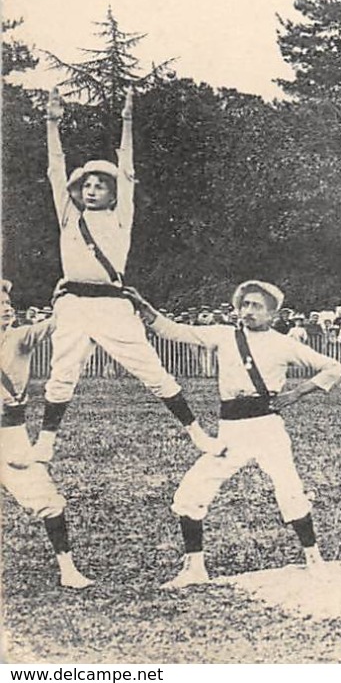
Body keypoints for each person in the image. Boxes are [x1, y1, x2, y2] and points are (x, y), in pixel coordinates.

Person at [36, 87, 221, 463]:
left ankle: (199, 435)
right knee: (62, 374)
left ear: (113, 191)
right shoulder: (69, 215)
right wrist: (52, 122)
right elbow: (56, 168)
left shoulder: (122, 217)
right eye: (86, 184)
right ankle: (46, 442)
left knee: (152, 370)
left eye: (100, 184)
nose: (91, 190)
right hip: (73, 303)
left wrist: (127, 121)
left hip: (112, 303)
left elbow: (129, 167)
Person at [130, 281, 341, 589]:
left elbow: (333, 367)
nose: (249, 311)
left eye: (257, 306)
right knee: (192, 492)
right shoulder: (224, 335)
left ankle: (314, 560)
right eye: (245, 305)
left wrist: (295, 394)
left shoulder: (283, 343)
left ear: (273, 312)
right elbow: (174, 331)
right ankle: (195, 568)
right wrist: (143, 306)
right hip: (230, 429)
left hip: (267, 427)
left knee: (290, 489)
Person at [0, 286, 95, 589]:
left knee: (48, 501)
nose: (6, 308)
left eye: (7, 302)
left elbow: (57, 322)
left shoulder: (20, 337)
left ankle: (68, 571)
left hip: (9, 435)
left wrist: (71, 296)